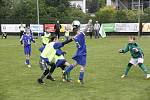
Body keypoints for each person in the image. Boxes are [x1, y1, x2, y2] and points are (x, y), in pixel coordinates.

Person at [63, 20, 87, 84]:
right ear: (78, 27)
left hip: (78, 52)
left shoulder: (75, 37)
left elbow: (72, 41)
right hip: (83, 52)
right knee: (83, 66)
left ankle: (65, 71)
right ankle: (80, 79)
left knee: (76, 64)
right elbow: (86, 29)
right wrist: (89, 22)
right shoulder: (81, 34)